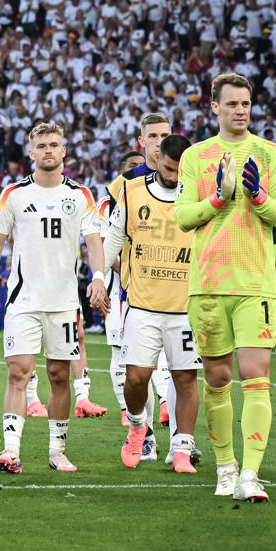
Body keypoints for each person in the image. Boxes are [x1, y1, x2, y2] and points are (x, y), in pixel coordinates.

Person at [175, 72, 276, 502]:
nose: (240, 111)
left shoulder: (270, 153)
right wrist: (219, 199)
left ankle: (250, 474)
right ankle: (225, 467)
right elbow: (184, 218)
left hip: (254, 283)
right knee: (218, 377)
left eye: (245, 104)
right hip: (207, 285)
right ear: (215, 107)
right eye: (232, 104)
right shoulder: (196, 156)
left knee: (255, 374)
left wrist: (259, 198)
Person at [0, 122, 109, 474]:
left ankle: (57, 452)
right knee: (18, 372)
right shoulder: (13, 194)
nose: (48, 150)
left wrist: (98, 277)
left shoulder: (80, 195)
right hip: (23, 302)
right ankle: (11, 450)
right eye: (41, 145)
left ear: (64, 150)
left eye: (54, 144)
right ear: (31, 151)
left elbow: (94, 242)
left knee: (59, 376)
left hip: (64, 303)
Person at [104, 135, 202, 473]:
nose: (174, 177)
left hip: (186, 306)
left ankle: (182, 449)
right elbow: (115, 237)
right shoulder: (132, 191)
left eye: (180, 170)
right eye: (170, 168)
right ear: (157, 158)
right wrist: (98, 278)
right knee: (137, 378)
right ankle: (136, 427)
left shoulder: (198, 194)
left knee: (185, 379)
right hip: (143, 303)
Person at [97, 151, 145, 425]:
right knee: (119, 350)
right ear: (121, 172)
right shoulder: (108, 202)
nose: (139, 169)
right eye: (132, 166)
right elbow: (105, 249)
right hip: (118, 288)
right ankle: (126, 409)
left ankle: (162, 403)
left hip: (148, 285)